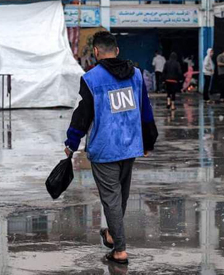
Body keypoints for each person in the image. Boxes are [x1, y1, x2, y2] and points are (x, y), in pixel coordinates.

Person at [63, 31, 158, 265]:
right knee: (120, 197)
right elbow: (145, 109)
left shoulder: (91, 78)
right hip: (130, 145)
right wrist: (149, 141)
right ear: (116, 51)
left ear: (96, 52)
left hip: (105, 148)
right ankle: (112, 234)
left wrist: (72, 142)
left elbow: (83, 114)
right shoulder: (136, 75)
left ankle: (120, 250)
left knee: (112, 200)